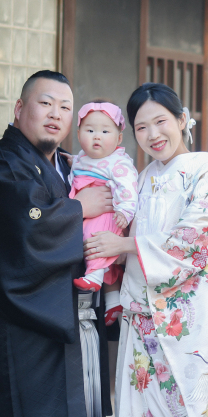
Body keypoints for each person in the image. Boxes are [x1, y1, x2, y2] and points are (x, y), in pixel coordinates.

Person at [84, 83, 208, 417]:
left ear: (181, 119)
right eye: (141, 127)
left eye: (160, 121)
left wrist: (125, 244)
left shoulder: (205, 173)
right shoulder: (143, 178)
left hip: (191, 320)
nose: (153, 134)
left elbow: (195, 240)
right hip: (142, 321)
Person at [0, 70, 116, 417]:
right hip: (25, 338)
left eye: (65, 107)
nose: (55, 113)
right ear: (19, 108)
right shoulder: (0, 166)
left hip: (79, 329)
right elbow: (25, 231)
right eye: (45, 103)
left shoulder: (71, 166)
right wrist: (78, 208)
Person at [69, 101, 138, 326]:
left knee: (94, 240)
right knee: (96, 249)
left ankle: (94, 277)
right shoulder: (81, 157)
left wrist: (125, 211)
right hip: (88, 209)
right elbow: (78, 166)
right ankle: (113, 301)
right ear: (78, 134)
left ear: (119, 138)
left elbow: (128, 186)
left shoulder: (118, 162)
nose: (97, 136)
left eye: (105, 131)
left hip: (109, 215)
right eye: (90, 130)